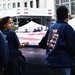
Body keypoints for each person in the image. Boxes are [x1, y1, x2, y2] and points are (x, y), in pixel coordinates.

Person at [38, 6, 75, 75]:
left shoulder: (51, 27)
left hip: (50, 63)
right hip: (62, 64)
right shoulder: (67, 28)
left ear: (56, 16)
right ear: (67, 16)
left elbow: (42, 44)